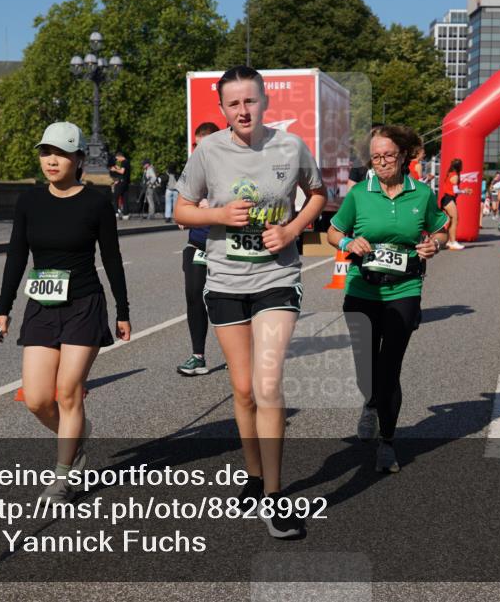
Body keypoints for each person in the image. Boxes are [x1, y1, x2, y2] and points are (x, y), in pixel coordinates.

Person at [174, 66, 327, 539]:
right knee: (242, 390)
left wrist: (291, 230)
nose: (243, 110)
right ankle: (255, 475)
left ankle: (276, 497)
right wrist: (217, 213)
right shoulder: (208, 151)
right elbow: (180, 209)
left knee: (267, 384)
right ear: (222, 109)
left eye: (250, 101)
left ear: (264, 102)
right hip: (224, 281)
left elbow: (318, 194)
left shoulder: (289, 147)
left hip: (277, 277)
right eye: (233, 103)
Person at [0, 121, 131, 503]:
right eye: (45, 152)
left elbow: (112, 259)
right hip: (41, 305)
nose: (51, 160)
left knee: (69, 392)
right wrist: (3, 310)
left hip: (84, 304)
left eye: (61, 153)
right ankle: (77, 436)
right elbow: (16, 256)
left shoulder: (95, 202)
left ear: (79, 159)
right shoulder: (30, 202)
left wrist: (123, 310)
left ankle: (64, 475)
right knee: (37, 398)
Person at [326, 124, 448, 474]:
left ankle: (388, 442)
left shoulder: (421, 194)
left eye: (388, 155)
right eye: (375, 156)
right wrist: (348, 244)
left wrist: (434, 244)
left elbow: (441, 227)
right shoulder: (360, 194)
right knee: (367, 369)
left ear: (403, 157)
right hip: (362, 289)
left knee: (389, 366)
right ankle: (371, 403)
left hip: (404, 288)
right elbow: (334, 231)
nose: (381, 162)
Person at [176, 121, 220, 376]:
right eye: (196, 145)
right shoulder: (191, 172)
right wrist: (186, 215)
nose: (199, 151)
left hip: (224, 246)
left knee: (225, 301)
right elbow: (181, 209)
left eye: (204, 146)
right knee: (194, 295)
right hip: (197, 244)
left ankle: (242, 351)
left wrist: (212, 209)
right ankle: (198, 356)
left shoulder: (229, 170)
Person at [438, 158, 466, 250]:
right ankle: (452, 241)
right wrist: (465, 191)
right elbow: (455, 190)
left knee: (451, 220)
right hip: (449, 199)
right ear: (459, 166)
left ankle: (450, 241)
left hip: (447, 199)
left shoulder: (450, 173)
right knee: (455, 220)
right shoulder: (455, 175)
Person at [108, 151, 131, 220]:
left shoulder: (124, 162)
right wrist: (114, 168)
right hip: (126, 182)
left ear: (120, 157)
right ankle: (126, 214)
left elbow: (122, 171)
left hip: (121, 181)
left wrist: (114, 169)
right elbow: (119, 168)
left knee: (115, 196)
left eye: (117, 158)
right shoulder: (125, 162)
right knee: (124, 198)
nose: (117, 160)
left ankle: (116, 213)